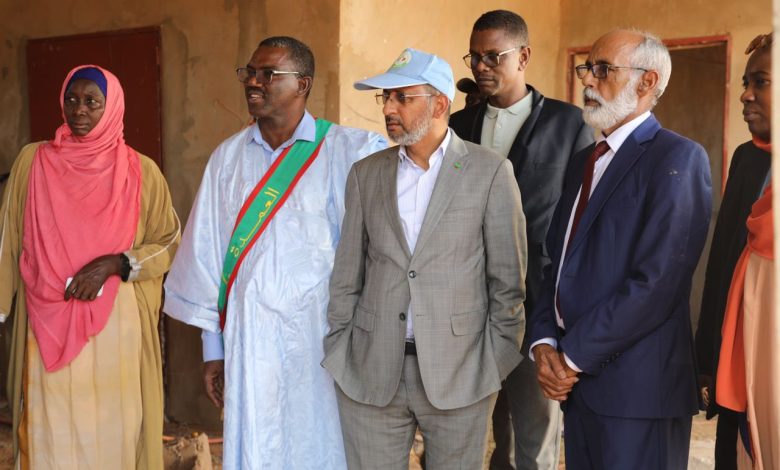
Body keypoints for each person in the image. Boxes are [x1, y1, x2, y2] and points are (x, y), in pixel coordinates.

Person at [163, 36, 386, 469]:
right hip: (251, 339)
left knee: (321, 443)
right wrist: (213, 350)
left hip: (323, 337)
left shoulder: (349, 151)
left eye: (268, 74)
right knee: (259, 443)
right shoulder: (227, 159)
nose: (253, 82)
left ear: (303, 84)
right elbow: (208, 258)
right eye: (250, 72)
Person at [323, 48, 527, 469]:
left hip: (461, 373)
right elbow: (347, 274)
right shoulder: (366, 174)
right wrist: (341, 344)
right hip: (371, 369)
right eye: (386, 98)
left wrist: (494, 363)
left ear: (439, 104)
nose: (388, 108)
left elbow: (508, 282)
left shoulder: (489, 172)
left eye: (402, 97)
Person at [528, 29, 712, 469]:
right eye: (586, 68)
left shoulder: (676, 158)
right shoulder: (585, 161)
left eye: (603, 69)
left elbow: (657, 284)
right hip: (579, 391)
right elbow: (557, 263)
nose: (587, 80)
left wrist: (571, 357)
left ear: (647, 82)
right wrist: (544, 342)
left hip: (638, 393)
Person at [0, 65, 180, 469]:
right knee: (49, 425)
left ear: (111, 106)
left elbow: (169, 240)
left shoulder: (140, 171)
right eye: (72, 99)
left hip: (115, 325)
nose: (79, 110)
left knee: (114, 425)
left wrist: (117, 263)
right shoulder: (33, 162)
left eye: (92, 102)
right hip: (45, 319)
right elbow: (7, 237)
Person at [449, 10, 593, 469]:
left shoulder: (570, 124)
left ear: (524, 56)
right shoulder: (457, 127)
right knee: (467, 432)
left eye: (494, 56)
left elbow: (581, 219)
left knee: (535, 433)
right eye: (475, 57)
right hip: (467, 305)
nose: (481, 66)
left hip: (539, 306)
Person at [706, 33, 777, 470]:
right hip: (740, 360)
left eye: (761, 82)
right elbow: (722, 261)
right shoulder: (748, 159)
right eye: (746, 83)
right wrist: (707, 358)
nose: (745, 95)